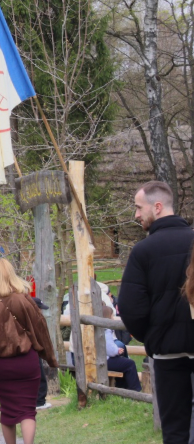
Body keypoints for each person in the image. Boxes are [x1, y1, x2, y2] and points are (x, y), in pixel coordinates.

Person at [120, 181, 194, 443]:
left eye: (139, 208)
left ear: (158, 207)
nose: (136, 215)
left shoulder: (143, 251)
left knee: (174, 428)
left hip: (167, 353)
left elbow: (130, 307)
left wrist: (152, 337)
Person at [0, 258, 57, 444]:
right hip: (26, 362)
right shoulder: (24, 300)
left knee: (7, 411)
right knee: (27, 410)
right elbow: (41, 329)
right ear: (11, 274)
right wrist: (50, 358)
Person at [103, 306, 141, 392]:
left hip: (102, 358)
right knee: (130, 364)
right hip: (105, 360)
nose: (113, 318)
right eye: (112, 316)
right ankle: (135, 390)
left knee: (123, 362)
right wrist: (117, 350)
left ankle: (122, 389)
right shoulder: (106, 330)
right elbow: (110, 349)